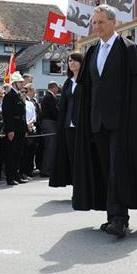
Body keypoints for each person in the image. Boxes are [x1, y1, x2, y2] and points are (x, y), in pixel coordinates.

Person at [73, 4, 137, 238]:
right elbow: (88, 88)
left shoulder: (128, 49)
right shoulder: (91, 51)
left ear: (114, 23)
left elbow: (136, 93)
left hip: (122, 122)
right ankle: (112, 215)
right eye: (94, 23)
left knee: (118, 169)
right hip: (97, 121)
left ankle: (120, 218)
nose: (97, 26)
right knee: (105, 169)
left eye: (101, 22)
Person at [50, 52, 84, 188]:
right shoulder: (68, 82)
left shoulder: (87, 80)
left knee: (82, 158)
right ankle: (76, 187)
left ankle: (84, 187)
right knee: (71, 158)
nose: (72, 63)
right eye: (70, 61)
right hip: (68, 125)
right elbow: (63, 106)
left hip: (82, 125)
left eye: (75, 60)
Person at [2, 71, 27, 185]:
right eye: (20, 82)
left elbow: (23, 113)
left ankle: (16, 175)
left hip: (20, 128)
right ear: (15, 83)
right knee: (11, 153)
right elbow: (7, 114)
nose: (22, 84)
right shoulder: (9, 96)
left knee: (18, 153)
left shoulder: (18, 95)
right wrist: (10, 130)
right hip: (13, 128)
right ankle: (10, 177)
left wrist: (25, 129)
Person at [40, 81, 59, 177]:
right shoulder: (48, 97)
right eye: (57, 87)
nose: (58, 89)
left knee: (50, 147)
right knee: (50, 147)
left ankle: (48, 168)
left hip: (49, 123)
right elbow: (54, 111)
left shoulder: (49, 97)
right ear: (54, 87)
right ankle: (46, 170)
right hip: (49, 123)